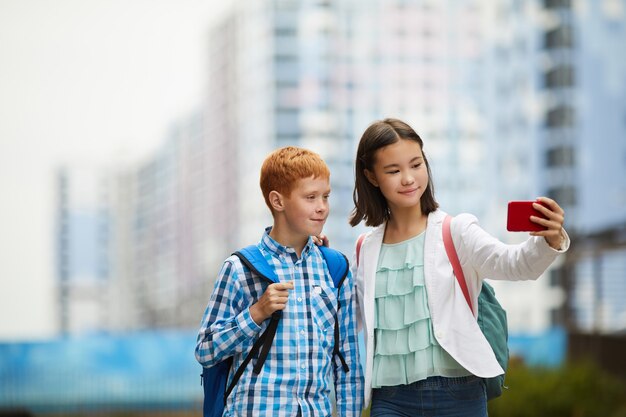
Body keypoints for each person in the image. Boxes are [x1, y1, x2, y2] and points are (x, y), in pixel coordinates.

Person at [349, 118, 569, 416]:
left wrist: (549, 239)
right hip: (391, 400)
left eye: (416, 164)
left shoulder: (456, 230)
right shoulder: (366, 247)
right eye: (393, 170)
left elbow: (516, 265)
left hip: (459, 394)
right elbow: (348, 319)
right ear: (372, 176)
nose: (409, 178)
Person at [195, 146, 364, 417]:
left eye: (325, 197)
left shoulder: (335, 268)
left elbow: (348, 364)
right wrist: (256, 313)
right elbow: (205, 349)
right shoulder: (239, 269)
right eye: (310, 197)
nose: (322, 207)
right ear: (278, 201)